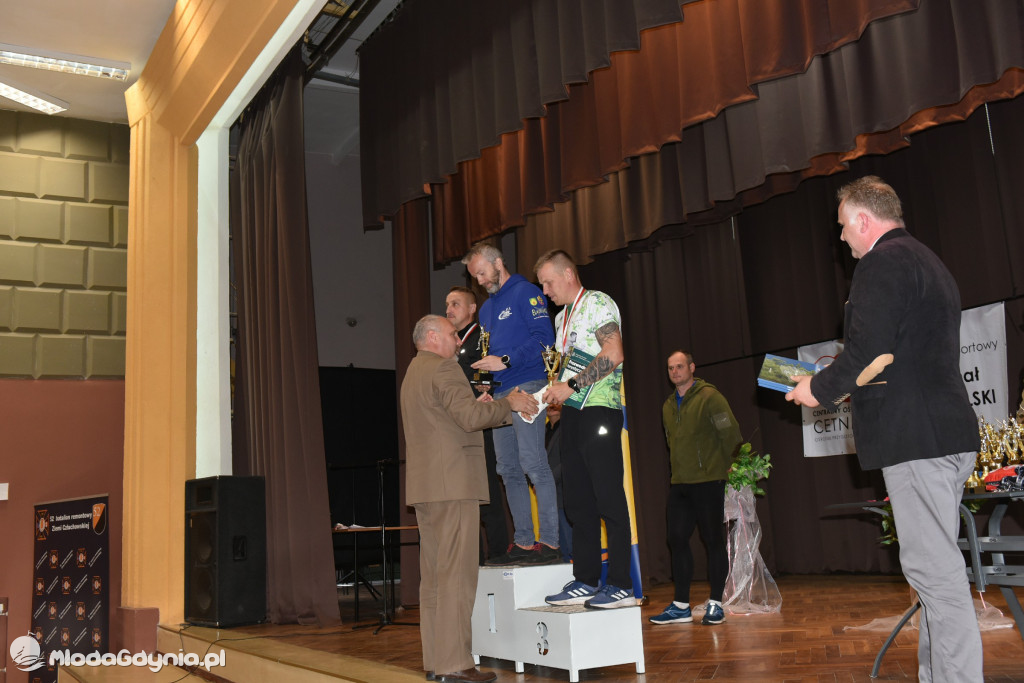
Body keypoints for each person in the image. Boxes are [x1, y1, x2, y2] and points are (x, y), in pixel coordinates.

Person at [786, 176, 982, 682]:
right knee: (934, 573)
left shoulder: (881, 263)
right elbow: (894, 356)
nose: (843, 239)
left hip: (917, 439)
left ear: (863, 221)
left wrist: (817, 389)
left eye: (844, 228)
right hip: (944, 434)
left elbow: (866, 350)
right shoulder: (928, 262)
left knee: (936, 579)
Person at [401, 314, 538, 683]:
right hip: (453, 486)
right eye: (450, 335)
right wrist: (508, 404)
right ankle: (455, 664)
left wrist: (481, 405)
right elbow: (467, 418)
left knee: (433, 579)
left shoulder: (413, 373)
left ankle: (437, 661)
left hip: (428, 489)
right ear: (431, 336)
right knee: (457, 579)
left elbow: (452, 416)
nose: (457, 341)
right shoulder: (444, 369)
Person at [535, 250, 634, 609]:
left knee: (608, 497)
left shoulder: (597, 302)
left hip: (600, 411)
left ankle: (621, 584)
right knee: (578, 502)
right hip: (574, 415)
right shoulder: (561, 319)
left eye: (548, 282)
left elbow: (614, 353)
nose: (545, 290)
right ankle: (586, 579)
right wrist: (555, 396)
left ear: (568, 274)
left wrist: (571, 386)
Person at [462, 243, 560, 566]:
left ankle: (550, 542)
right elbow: (490, 356)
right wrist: (487, 389)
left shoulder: (526, 292)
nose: (478, 279)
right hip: (502, 396)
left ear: (498, 263)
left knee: (533, 461)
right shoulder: (488, 309)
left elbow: (545, 338)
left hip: (529, 385)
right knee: (507, 469)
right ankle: (523, 541)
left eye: (481, 272)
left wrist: (506, 360)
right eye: (474, 275)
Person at [650, 350, 742, 627]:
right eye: (670, 368)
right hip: (680, 483)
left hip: (709, 480)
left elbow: (730, 433)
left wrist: (731, 464)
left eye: (680, 366)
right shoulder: (667, 405)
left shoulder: (710, 397)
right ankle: (680, 605)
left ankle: (716, 603)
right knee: (676, 539)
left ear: (691, 367)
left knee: (713, 540)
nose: (675, 372)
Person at [445, 285, 510, 561]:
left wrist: (486, 397)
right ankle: (473, 560)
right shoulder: (448, 344)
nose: (448, 309)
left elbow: (488, 380)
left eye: (456, 304)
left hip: (481, 424)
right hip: (456, 428)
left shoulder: (481, 339)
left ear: (472, 309)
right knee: (466, 494)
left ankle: (496, 555)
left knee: (488, 492)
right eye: (447, 304)